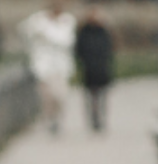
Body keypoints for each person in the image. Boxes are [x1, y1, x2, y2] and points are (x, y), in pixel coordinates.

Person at [21, 0, 77, 134]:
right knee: (48, 97)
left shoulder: (67, 20)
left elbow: (66, 40)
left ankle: (56, 118)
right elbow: (25, 31)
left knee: (61, 96)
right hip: (43, 66)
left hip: (61, 67)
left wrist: (45, 32)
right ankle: (50, 119)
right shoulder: (38, 20)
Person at [74, 5, 114, 133]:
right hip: (89, 70)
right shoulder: (83, 33)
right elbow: (78, 51)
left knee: (102, 97)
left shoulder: (104, 32)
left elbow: (109, 51)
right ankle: (94, 118)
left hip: (102, 70)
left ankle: (101, 117)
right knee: (91, 97)